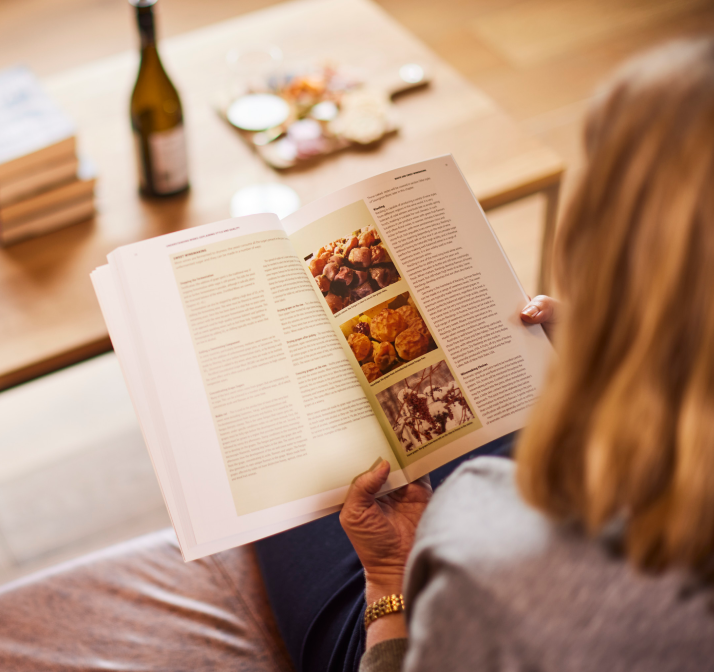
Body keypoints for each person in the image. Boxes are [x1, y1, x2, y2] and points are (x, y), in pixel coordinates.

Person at [255, 36, 714, 672]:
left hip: (440, 609)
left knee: (288, 470)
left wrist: (388, 583)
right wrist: (634, 368)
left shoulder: (488, 545)